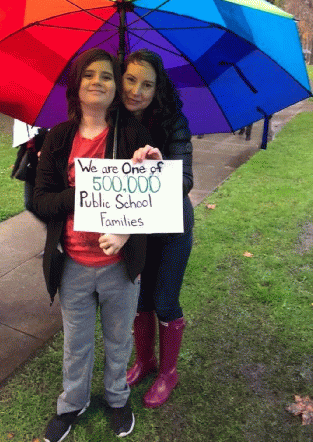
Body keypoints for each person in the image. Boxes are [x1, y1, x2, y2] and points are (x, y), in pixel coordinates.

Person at [33, 48, 153, 441]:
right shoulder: (58, 137)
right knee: (76, 343)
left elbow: (151, 200)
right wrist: (80, 193)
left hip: (120, 266)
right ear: (77, 83)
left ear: (116, 86)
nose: (98, 82)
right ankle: (73, 403)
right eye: (89, 75)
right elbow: (41, 200)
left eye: (106, 76)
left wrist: (149, 165)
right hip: (73, 265)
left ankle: (117, 399)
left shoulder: (132, 134)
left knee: (119, 340)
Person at [122, 49, 194, 408]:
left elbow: (185, 180)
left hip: (172, 226)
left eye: (147, 84)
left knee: (165, 299)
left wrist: (159, 165)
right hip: (136, 227)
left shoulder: (173, 122)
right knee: (140, 298)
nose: (137, 90)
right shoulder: (113, 120)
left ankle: (168, 371)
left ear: (157, 89)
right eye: (130, 79)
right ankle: (145, 360)